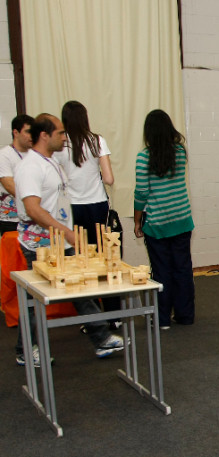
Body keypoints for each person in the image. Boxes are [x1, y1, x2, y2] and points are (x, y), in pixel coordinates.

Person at [13, 114, 124, 365]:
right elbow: (33, 208)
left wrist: (67, 232)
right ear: (45, 135)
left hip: (60, 240)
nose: (65, 137)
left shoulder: (51, 162)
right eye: (61, 133)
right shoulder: (31, 167)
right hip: (39, 245)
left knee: (79, 288)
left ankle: (101, 337)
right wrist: (66, 231)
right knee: (34, 300)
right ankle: (25, 349)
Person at [57, 100, 120, 321]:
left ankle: (90, 318)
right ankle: (114, 315)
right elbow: (109, 178)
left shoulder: (61, 145)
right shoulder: (96, 140)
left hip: (72, 209)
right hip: (97, 206)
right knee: (104, 258)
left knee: (80, 261)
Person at [133, 110, 195, 329]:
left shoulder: (144, 158)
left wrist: (137, 221)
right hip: (182, 220)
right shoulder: (179, 151)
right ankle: (185, 315)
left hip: (157, 224)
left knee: (161, 271)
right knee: (182, 269)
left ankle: (161, 320)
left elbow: (141, 193)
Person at [0, 114, 34, 235]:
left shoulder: (35, 154)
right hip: (12, 219)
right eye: (28, 132)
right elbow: (10, 186)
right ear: (16, 132)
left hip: (34, 218)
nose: (32, 136)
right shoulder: (4, 155)